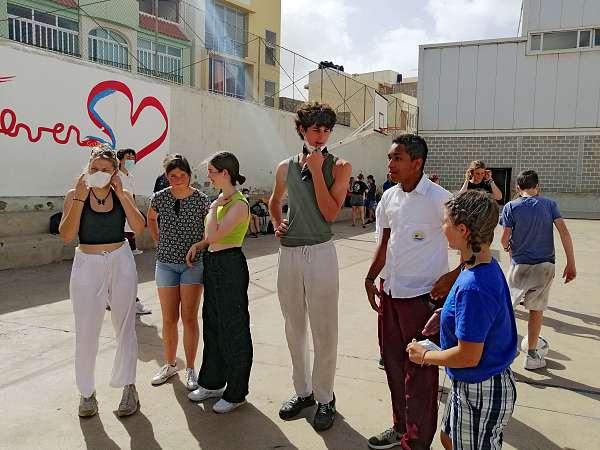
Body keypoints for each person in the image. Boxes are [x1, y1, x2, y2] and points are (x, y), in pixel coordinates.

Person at [407, 190, 518, 450]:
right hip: (471, 384)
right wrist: (447, 314)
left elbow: (468, 356)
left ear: (462, 229)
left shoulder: (474, 286)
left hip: (481, 387)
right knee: (448, 438)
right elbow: (478, 315)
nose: (441, 227)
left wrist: (423, 356)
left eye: (445, 222)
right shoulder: (482, 265)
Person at [364, 134, 452, 450]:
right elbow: (384, 242)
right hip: (390, 296)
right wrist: (371, 277)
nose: (390, 164)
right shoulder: (389, 198)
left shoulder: (440, 199)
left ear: (417, 163)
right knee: (393, 365)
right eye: (389, 157)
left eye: (397, 158)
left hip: (422, 301)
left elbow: (479, 240)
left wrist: (454, 275)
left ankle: (417, 441)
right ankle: (400, 427)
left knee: (421, 373)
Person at [269, 102, 352, 431]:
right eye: (314, 128)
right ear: (302, 130)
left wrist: (317, 170)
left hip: (320, 251)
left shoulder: (341, 166)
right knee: (294, 327)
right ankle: (303, 391)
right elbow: (275, 201)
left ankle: (325, 396)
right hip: (289, 253)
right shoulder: (284, 167)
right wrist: (277, 223)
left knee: (324, 329)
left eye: (326, 129)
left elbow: (331, 213)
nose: (320, 135)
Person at [58, 146, 146, 418]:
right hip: (87, 262)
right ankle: (86, 393)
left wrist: (121, 193)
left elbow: (139, 227)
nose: (99, 174)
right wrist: (80, 199)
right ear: (87, 168)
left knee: (125, 325)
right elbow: (67, 234)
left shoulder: (123, 194)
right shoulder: (74, 195)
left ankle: (129, 387)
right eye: (94, 169)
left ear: (114, 172)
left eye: (106, 170)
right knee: (86, 330)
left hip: (120, 259)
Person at [187, 152, 252, 414]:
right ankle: (212, 381)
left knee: (233, 328)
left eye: (212, 171)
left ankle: (236, 392)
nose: (209, 176)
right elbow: (209, 238)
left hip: (230, 264)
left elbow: (214, 234)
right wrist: (199, 245)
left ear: (225, 173)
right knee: (212, 323)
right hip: (213, 262)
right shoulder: (223, 201)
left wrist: (213, 209)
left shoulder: (238, 204)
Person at [500, 170, 576, 370]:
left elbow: (504, 239)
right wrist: (571, 263)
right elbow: (564, 233)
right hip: (545, 266)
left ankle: (502, 351)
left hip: (520, 265)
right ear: (537, 186)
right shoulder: (550, 205)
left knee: (506, 309)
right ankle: (532, 355)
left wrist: (509, 249)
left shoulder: (511, 207)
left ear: (517, 188)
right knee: (536, 309)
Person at [147, 154, 211, 390]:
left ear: (189, 176)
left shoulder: (202, 199)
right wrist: (157, 241)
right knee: (168, 319)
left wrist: (201, 245)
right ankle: (171, 363)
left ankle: (191, 368)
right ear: (167, 176)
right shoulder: (160, 198)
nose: (177, 179)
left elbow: (210, 228)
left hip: (192, 265)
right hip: (165, 264)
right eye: (172, 176)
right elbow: (151, 219)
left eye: (181, 175)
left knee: (190, 318)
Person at [116, 148, 151, 315]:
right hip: (119, 227)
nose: (131, 160)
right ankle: (131, 300)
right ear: (120, 159)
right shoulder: (115, 177)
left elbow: (133, 201)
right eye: (128, 157)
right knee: (126, 267)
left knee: (126, 266)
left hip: (129, 226)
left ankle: (118, 298)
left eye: (133, 157)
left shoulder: (130, 177)